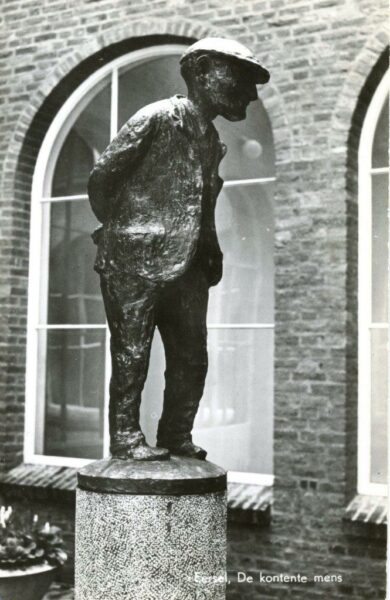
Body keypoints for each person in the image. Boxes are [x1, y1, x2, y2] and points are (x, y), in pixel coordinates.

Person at [87, 38, 270, 460]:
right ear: (202, 70)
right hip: (135, 260)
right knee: (132, 353)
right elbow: (103, 177)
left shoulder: (213, 141)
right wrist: (126, 229)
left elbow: (201, 203)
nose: (250, 93)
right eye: (241, 78)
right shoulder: (157, 117)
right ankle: (127, 438)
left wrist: (211, 250)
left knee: (192, 358)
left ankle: (175, 435)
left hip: (189, 264)